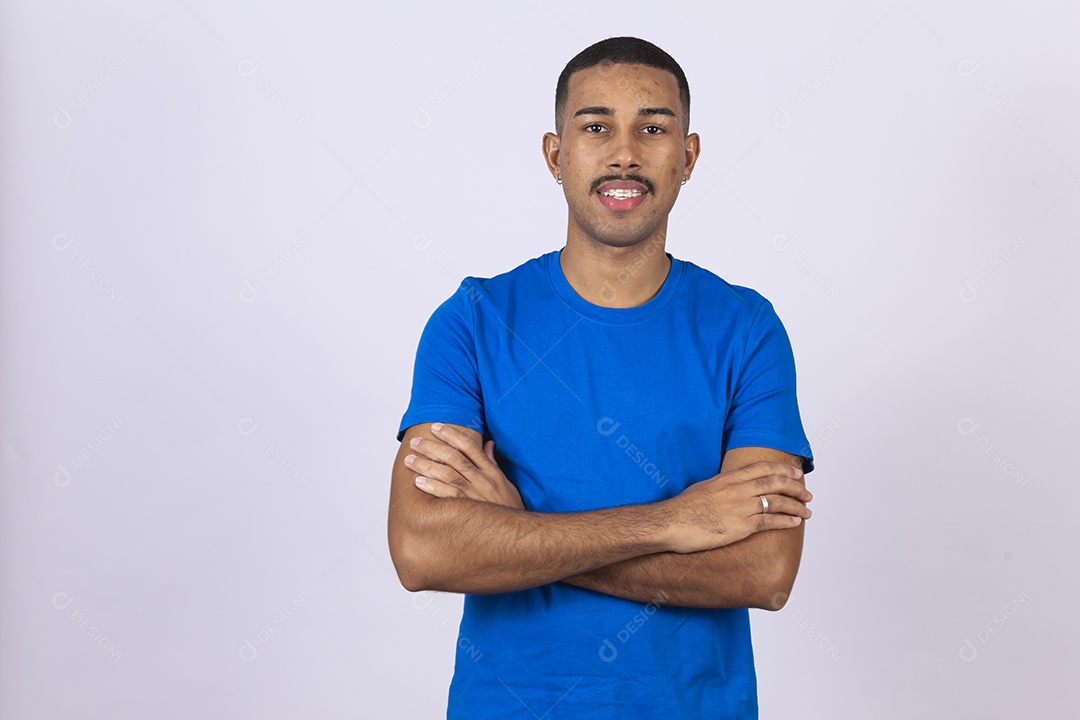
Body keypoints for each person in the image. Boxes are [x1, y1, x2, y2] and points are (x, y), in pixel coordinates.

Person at [388, 36, 815, 719]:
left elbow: (762, 573)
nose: (624, 152)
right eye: (596, 127)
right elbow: (421, 550)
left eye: (653, 128)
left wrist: (516, 530)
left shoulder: (745, 329)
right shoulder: (473, 321)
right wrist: (675, 523)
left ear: (688, 156)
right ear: (557, 155)